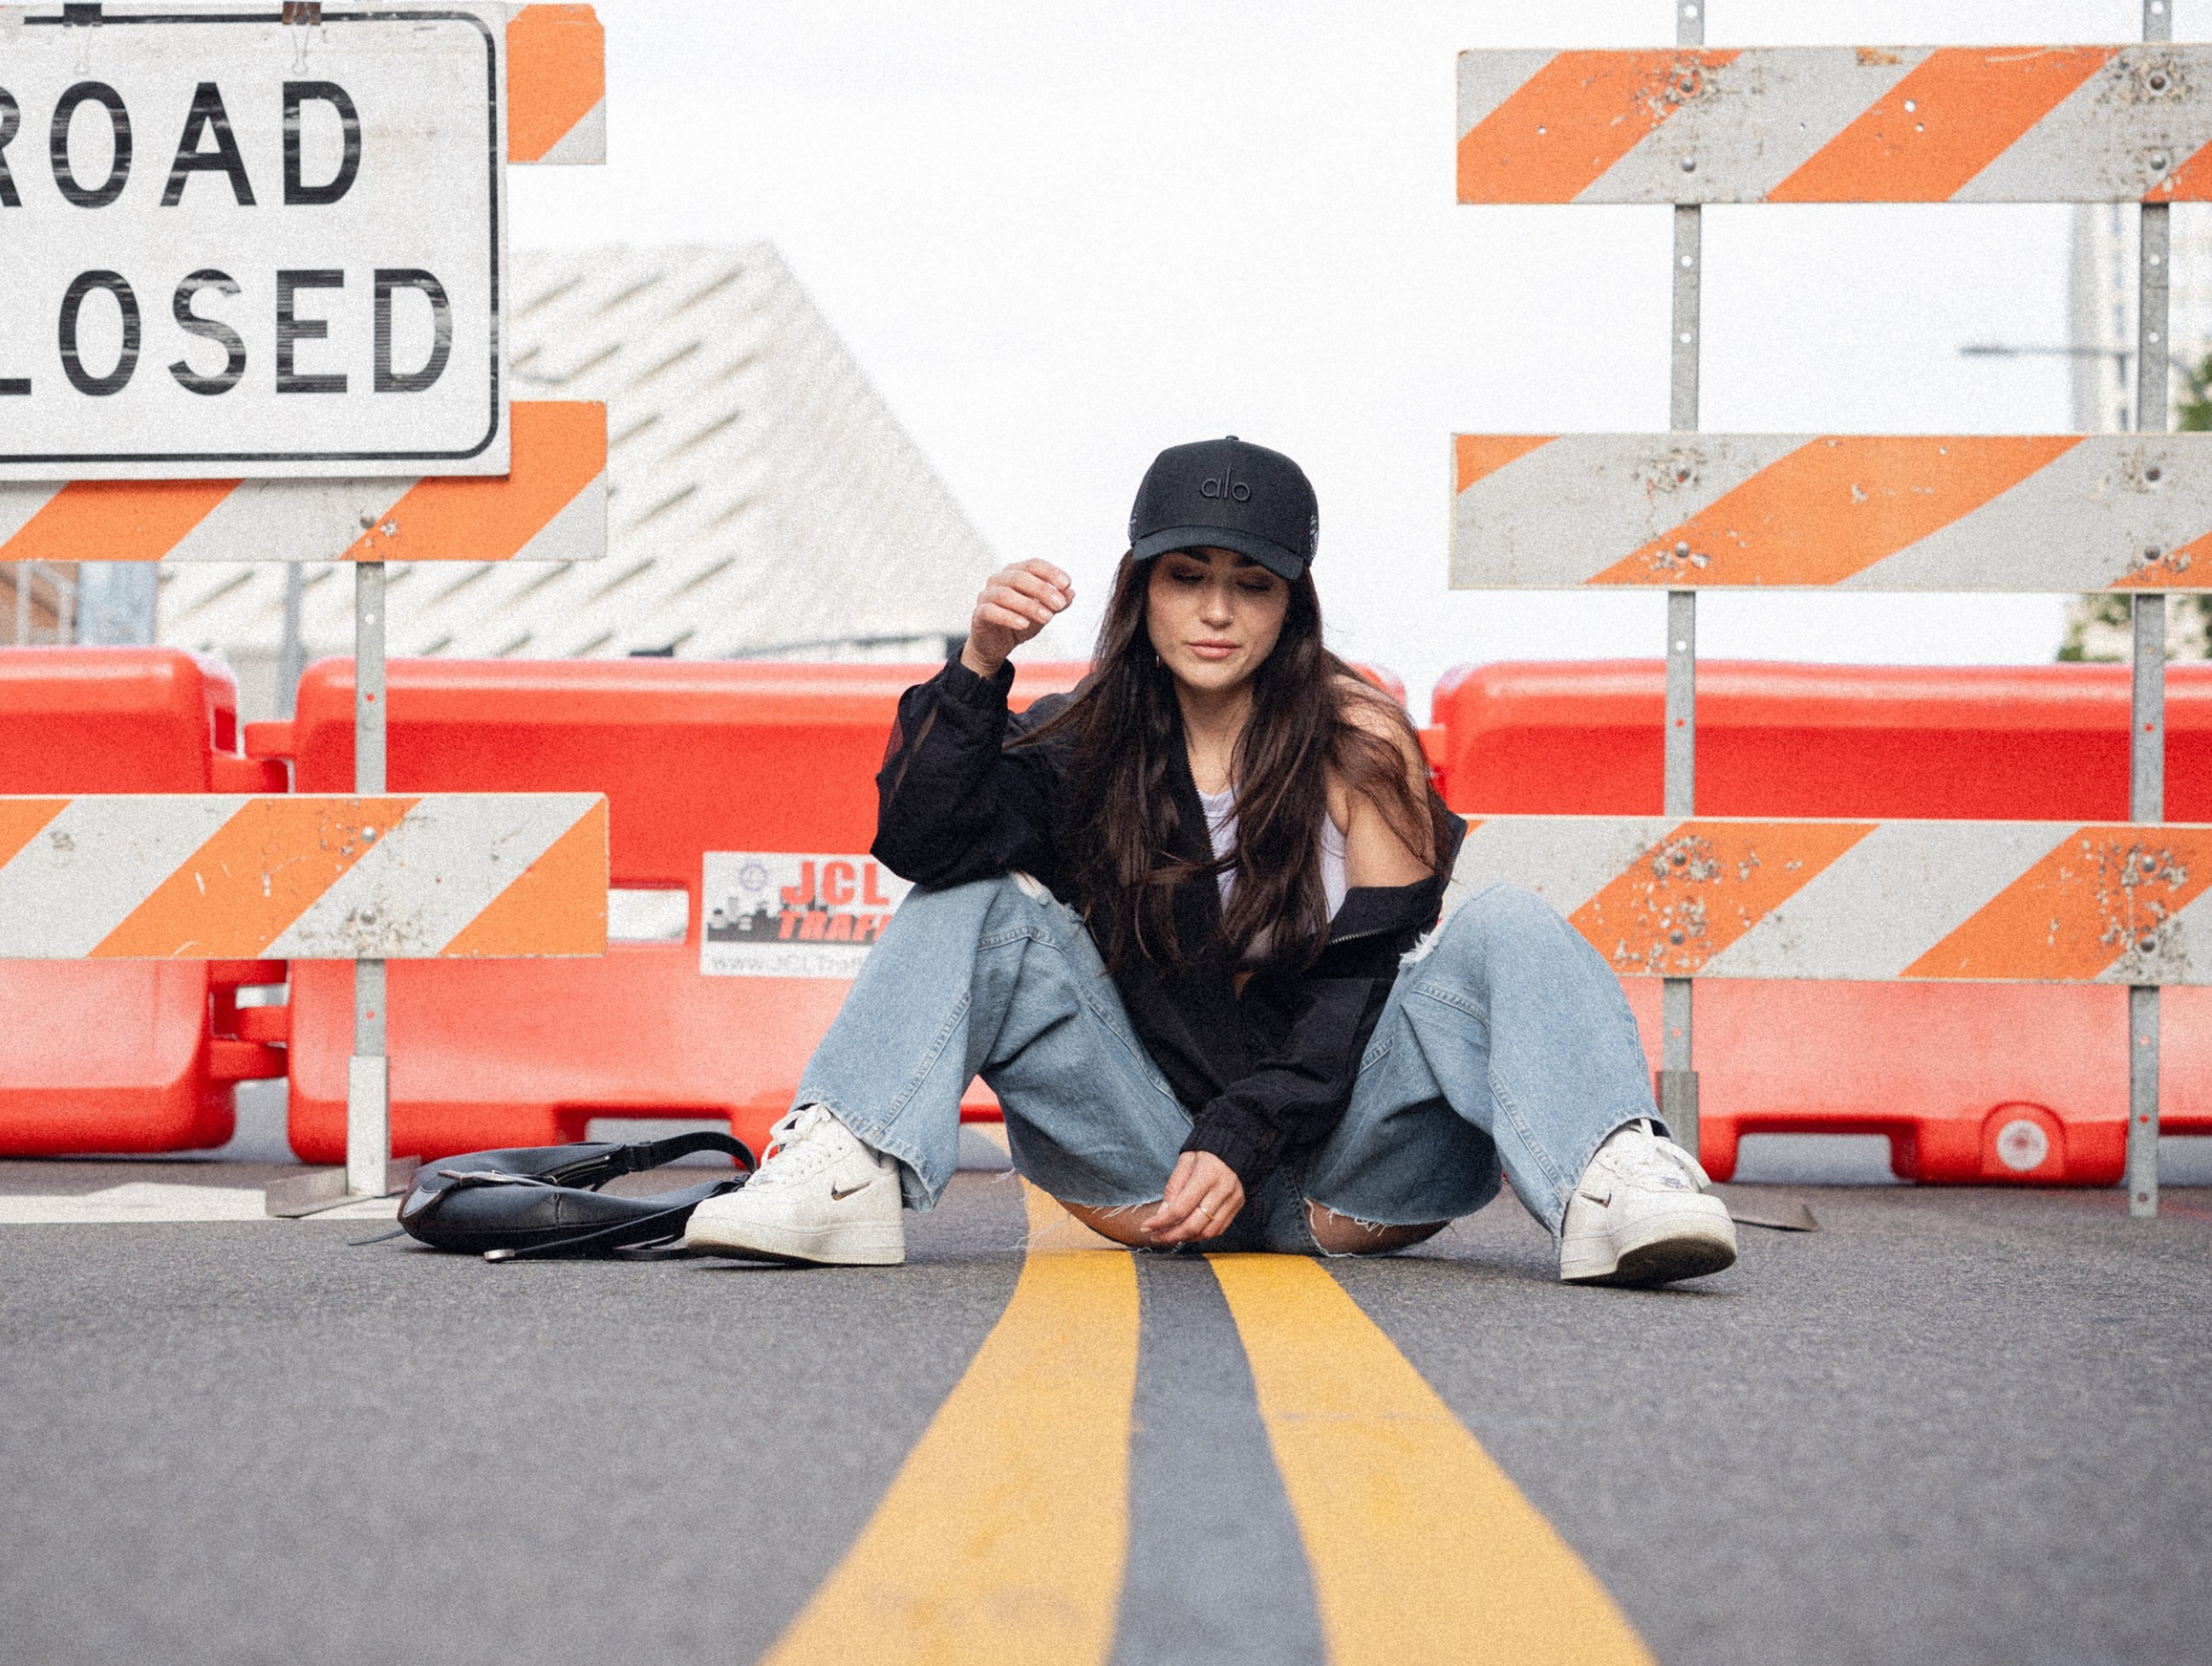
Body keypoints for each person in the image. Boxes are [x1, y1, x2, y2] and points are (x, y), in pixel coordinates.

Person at [685, 435, 1738, 1290]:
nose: (1218, 611)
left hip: (1352, 1164)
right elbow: (922, 843)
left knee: (1506, 919)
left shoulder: (1359, 741)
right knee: (978, 904)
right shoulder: (1080, 742)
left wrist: (1242, 1136)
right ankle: (839, 1169)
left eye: (1251, 585)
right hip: (1147, 1156)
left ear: (1292, 606)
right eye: (1187, 578)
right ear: (1141, 590)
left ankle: (1617, 1181)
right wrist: (976, 668)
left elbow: (1356, 989)